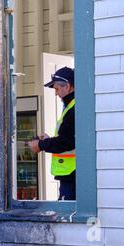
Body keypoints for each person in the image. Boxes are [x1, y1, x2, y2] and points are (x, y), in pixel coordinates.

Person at [29, 67, 76, 200]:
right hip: (70, 173)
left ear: (67, 86)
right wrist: (48, 140)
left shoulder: (73, 108)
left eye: (56, 89)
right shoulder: (70, 106)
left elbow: (66, 142)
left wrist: (41, 144)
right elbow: (68, 138)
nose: (56, 93)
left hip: (71, 174)